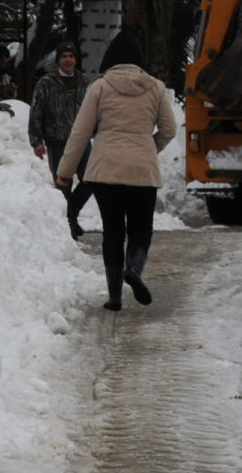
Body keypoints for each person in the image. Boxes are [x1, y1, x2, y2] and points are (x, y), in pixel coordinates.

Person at [54, 32, 176, 311]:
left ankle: (115, 298)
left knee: (113, 231)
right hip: (142, 172)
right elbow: (169, 129)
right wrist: (147, 148)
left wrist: (65, 171)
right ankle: (134, 268)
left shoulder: (99, 87)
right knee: (141, 228)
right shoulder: (155, 87)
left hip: (105, 170)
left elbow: (80, 132)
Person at [27, 45, 91, 239]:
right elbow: (36, 111)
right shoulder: (47, 82)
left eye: (71, 56)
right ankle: (68, 224)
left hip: (81, 139)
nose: (68, 60)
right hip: (57, 139)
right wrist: (36, 140)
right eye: (64, 56)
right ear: (58, 60)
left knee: (91, 179)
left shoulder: (85, 82)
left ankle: (71, 215)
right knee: (63, 183)